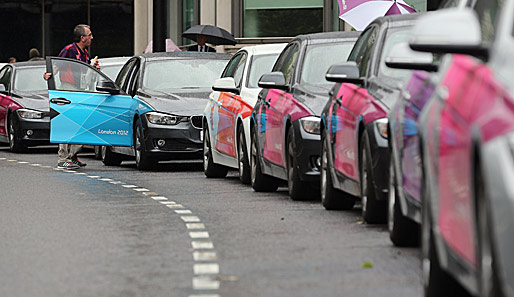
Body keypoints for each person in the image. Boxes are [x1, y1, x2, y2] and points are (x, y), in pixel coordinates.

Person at [44, 24, 100, 170]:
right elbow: (56, 66)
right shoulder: (69, 50)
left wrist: (94, 70)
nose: (92, 38)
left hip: (81, 91)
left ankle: (73, 155)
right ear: (82, 38)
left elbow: (85, 72)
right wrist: (48, 75)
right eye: (90, 35)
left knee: (81, 123)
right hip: (68, 89)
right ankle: (63, 158)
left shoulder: (86, 53)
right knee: (66, 122)